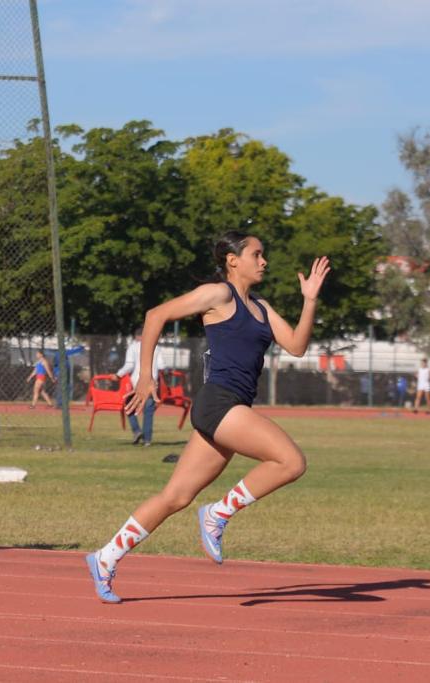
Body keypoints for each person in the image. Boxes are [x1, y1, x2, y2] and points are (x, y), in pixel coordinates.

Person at [84, 231, 330, 604]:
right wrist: (146, 375)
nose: (264, 261)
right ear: (233, 260)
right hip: (219, 402)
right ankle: (218, 513)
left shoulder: (262, 308)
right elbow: (157, 315)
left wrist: (309, 301)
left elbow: (296, 345)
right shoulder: (219, 294)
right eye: (257, 254)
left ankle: (105, 557)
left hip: (232, 407)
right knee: (291, 461)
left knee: (175, 496)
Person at [116, 328, 166, 446]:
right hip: (152, 383)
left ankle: (137, 430)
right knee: (148, 411)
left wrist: (118, 374)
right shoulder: (156, 347)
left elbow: (129, 365)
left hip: (136, 383)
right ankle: (147, 440)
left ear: (137, 336)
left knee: (129, 406)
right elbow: (162, 365)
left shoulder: (133, 347)